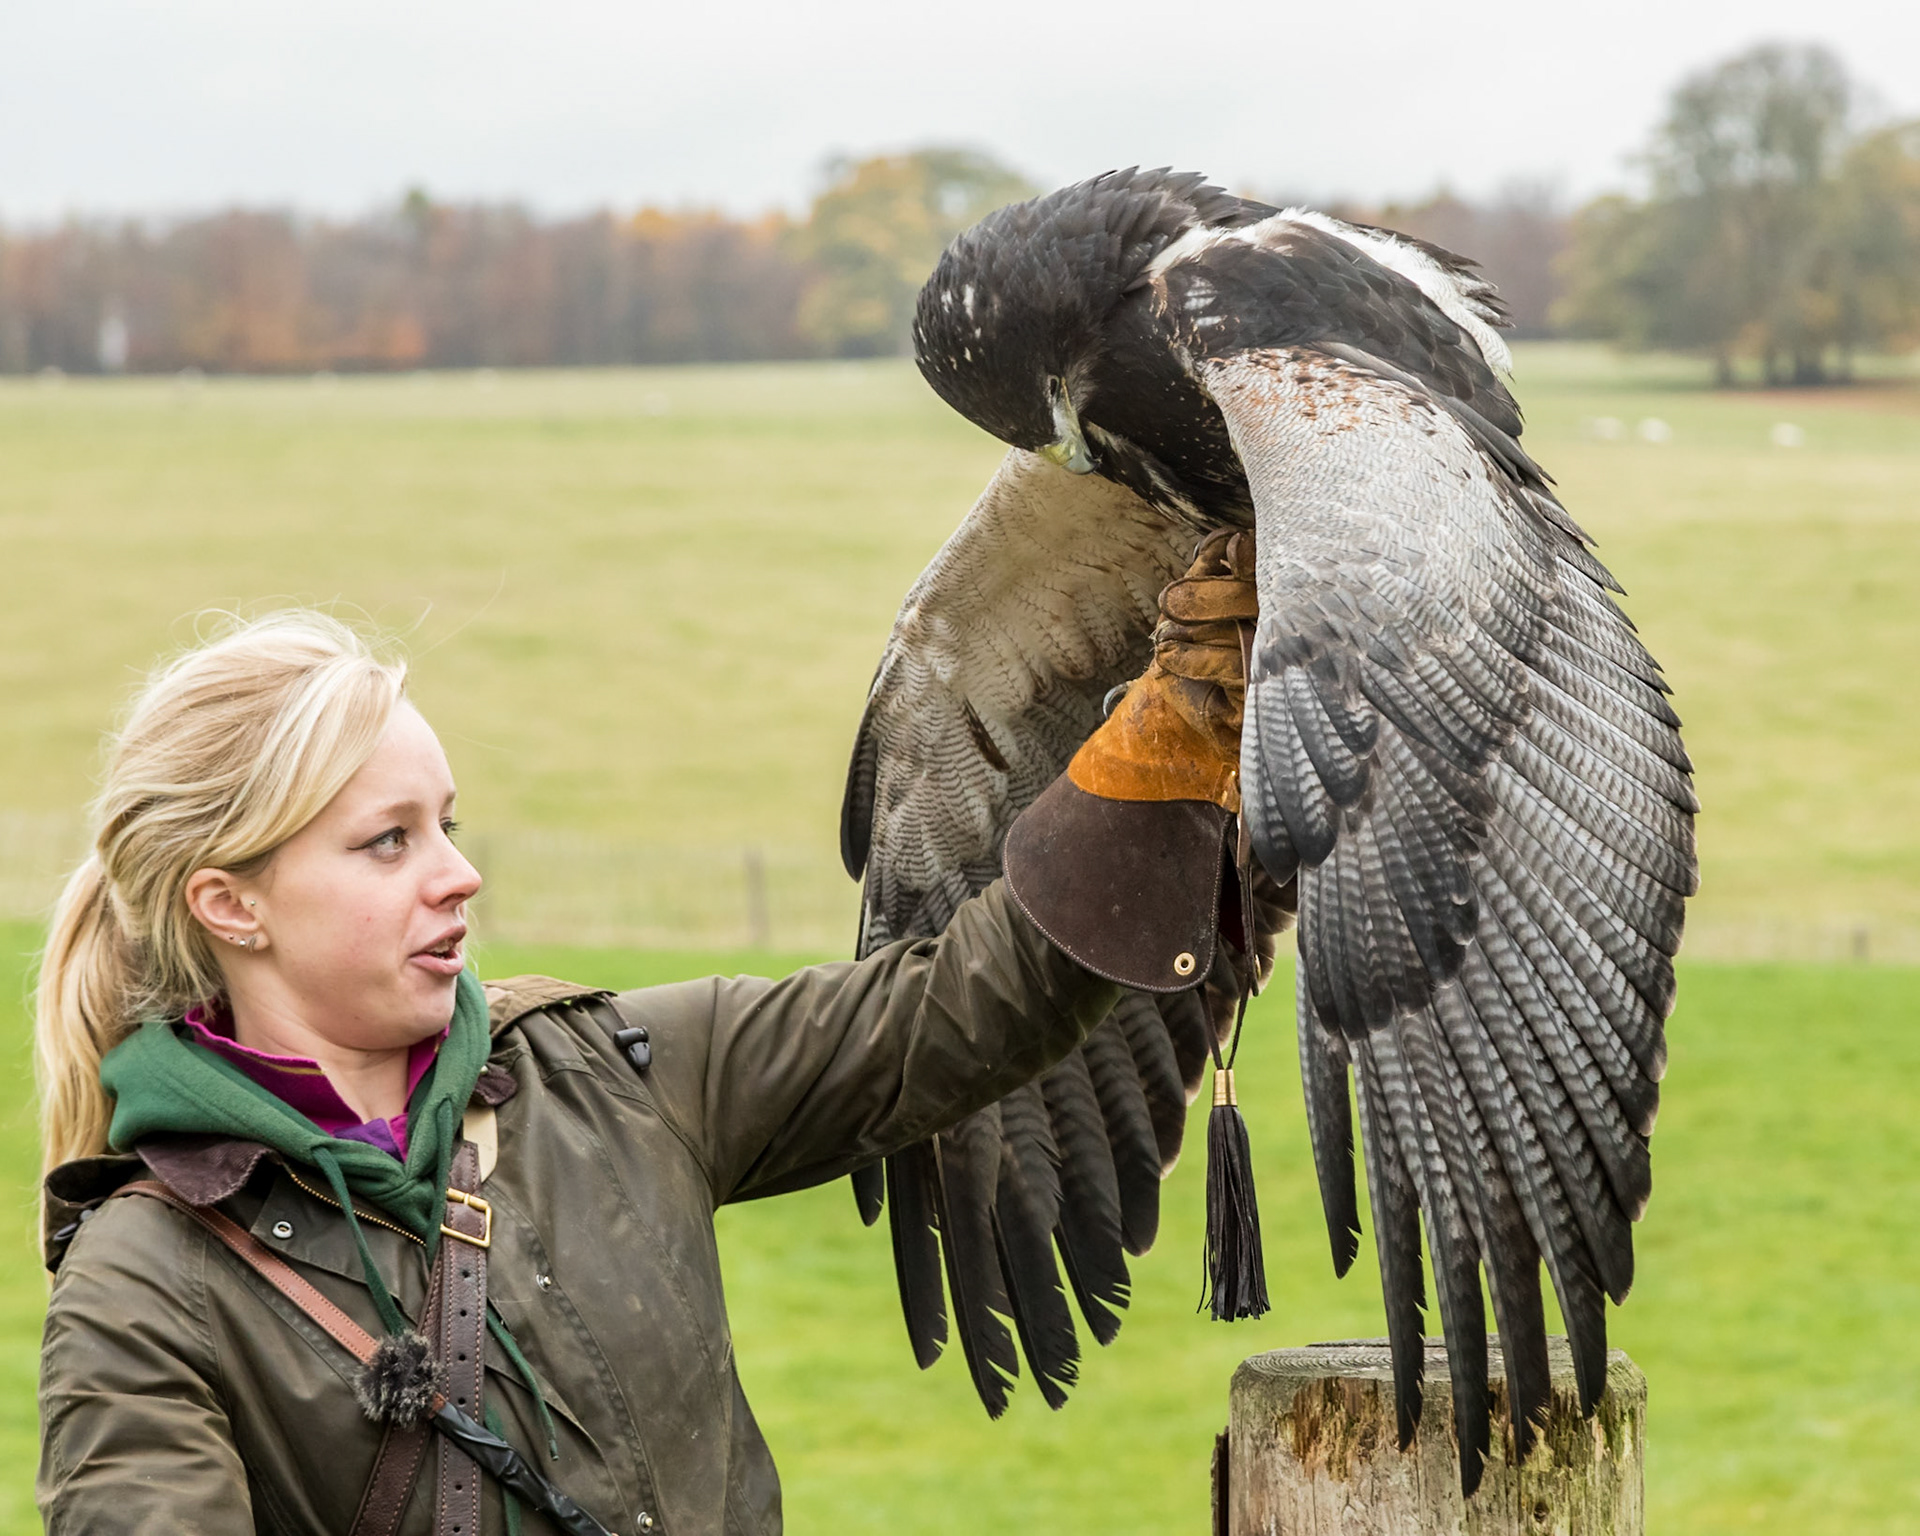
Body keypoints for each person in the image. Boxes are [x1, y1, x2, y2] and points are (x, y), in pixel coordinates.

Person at [35, 538, 1255, 1535]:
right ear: (229, 903)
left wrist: (1171, 735)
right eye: (388, 841)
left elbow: (965, 1006)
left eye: (446, 824)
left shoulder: (613, 1074)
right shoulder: (145, 1290)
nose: (459, 876)